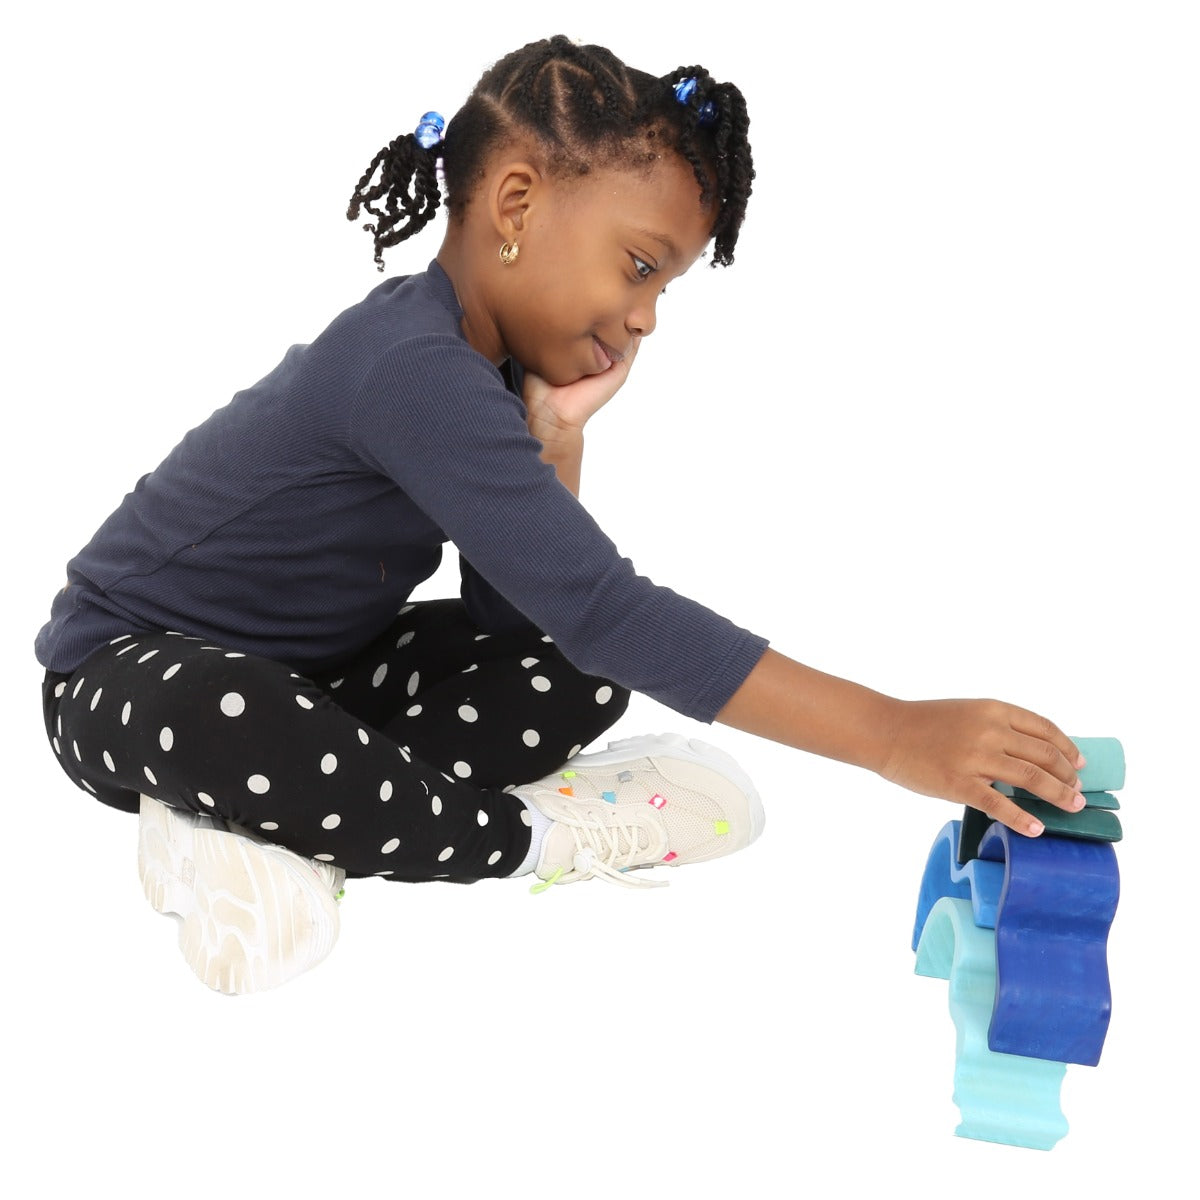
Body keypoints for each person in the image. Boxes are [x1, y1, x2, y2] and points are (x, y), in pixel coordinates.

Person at [35, 35, 1088, 996]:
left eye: (665, 289)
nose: (645, 317)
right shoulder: (412, 369)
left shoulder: (477, 373)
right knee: (239, 717)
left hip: (326, 681)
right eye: (640, 266)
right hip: (128, 676)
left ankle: (260, 831)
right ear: (517, 205)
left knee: (570, 671)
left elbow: (516, 623)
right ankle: (529, 839)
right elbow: (602, 604)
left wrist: (556, 439)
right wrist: (895, 735)